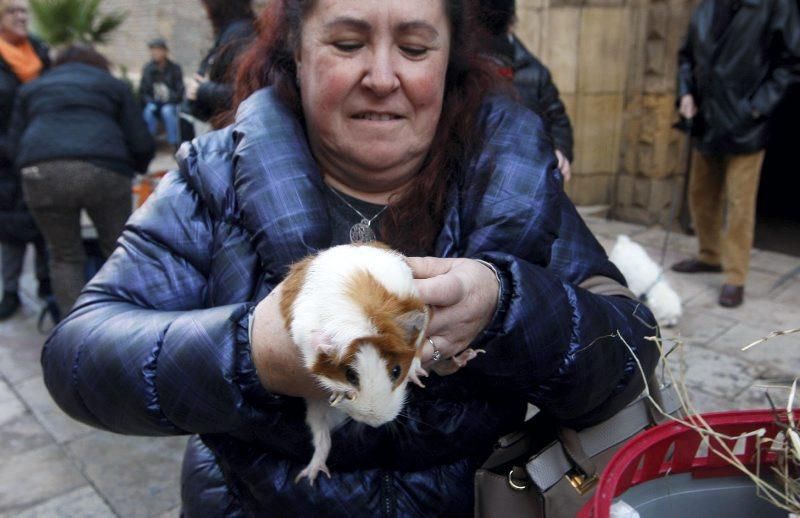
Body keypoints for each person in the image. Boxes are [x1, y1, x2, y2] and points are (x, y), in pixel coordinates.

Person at [41, 1, 658, 515]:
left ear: (449, 62)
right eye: (346, 43)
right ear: (298, 52)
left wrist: (508, 308)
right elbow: (81, 354)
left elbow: (633, 351)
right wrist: (250, 354)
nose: (383, 77)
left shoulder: (517, 175)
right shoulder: (214, 177)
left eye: (415, 49)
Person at [9, 44, 155, 316]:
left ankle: (74, 335)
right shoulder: (112, 85)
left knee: (64, 255)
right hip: (104, 170)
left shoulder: (32, 88)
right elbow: (140, 140)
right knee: (118, 249)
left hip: (40, 171)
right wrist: (132, 168)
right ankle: (125, 321)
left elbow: (13, 145)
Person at [672, 0, 800, 307]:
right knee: (701, 195)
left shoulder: (775, 6)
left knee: (740, 202)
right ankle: (709, 255)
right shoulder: (706, 7)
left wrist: (757, 107)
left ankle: (735, 276)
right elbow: (686, 55)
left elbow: (791, 62)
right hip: (707, 120)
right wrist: (685, 92)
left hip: (746, 125)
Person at [478, 0, 574, 181]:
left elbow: (559, 121)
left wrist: (560, 152)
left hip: (523, 177)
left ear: (512, 24)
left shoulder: (534, 72)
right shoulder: (463, 67)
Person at [0, 0, 50, 319]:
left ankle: (48, 284)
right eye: (11, 11)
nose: (20, 16)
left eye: (24, 11)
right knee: (9, 224)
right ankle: (10, 290)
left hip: (43, 149)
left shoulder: (41, 52)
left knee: (47, 219)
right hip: (4, 155)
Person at [184, 0, 255, 126]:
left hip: (233, 126)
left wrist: (201, 90)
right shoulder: (232, 31)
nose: (205, 14)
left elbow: (246, 92)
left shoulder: (240, 34)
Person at [140, 38, 184, 151]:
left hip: (170, 103)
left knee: (167, 111)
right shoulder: (148, 69)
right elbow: (144, 90)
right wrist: (150, 101)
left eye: (157, 50)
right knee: (149, 111)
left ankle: (173, 144)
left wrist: (169, 98)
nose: (155, 53)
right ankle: (148, 144)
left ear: (165, 51)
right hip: (153, 102)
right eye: (152, 50)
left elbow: (180, 91)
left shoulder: (174, 69)